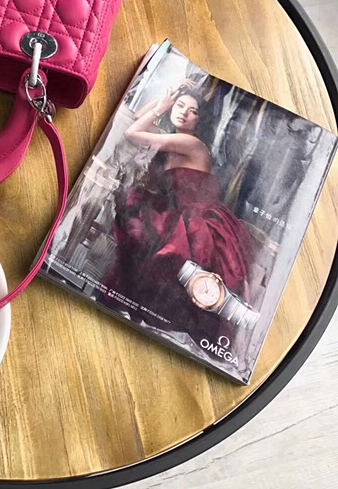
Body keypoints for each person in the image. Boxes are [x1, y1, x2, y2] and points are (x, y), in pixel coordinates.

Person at [102, 79, 254, 341]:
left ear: (199, 121)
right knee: (138, 219)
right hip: (178, 216)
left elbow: (132, 134)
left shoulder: (192, 144)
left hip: (200, 223)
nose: (184, 113)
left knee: (160, 248)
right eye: (180, 106)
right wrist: (167, 97)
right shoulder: (170, 140)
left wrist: (164, 106)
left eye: (192, 111)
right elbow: (137, 121)